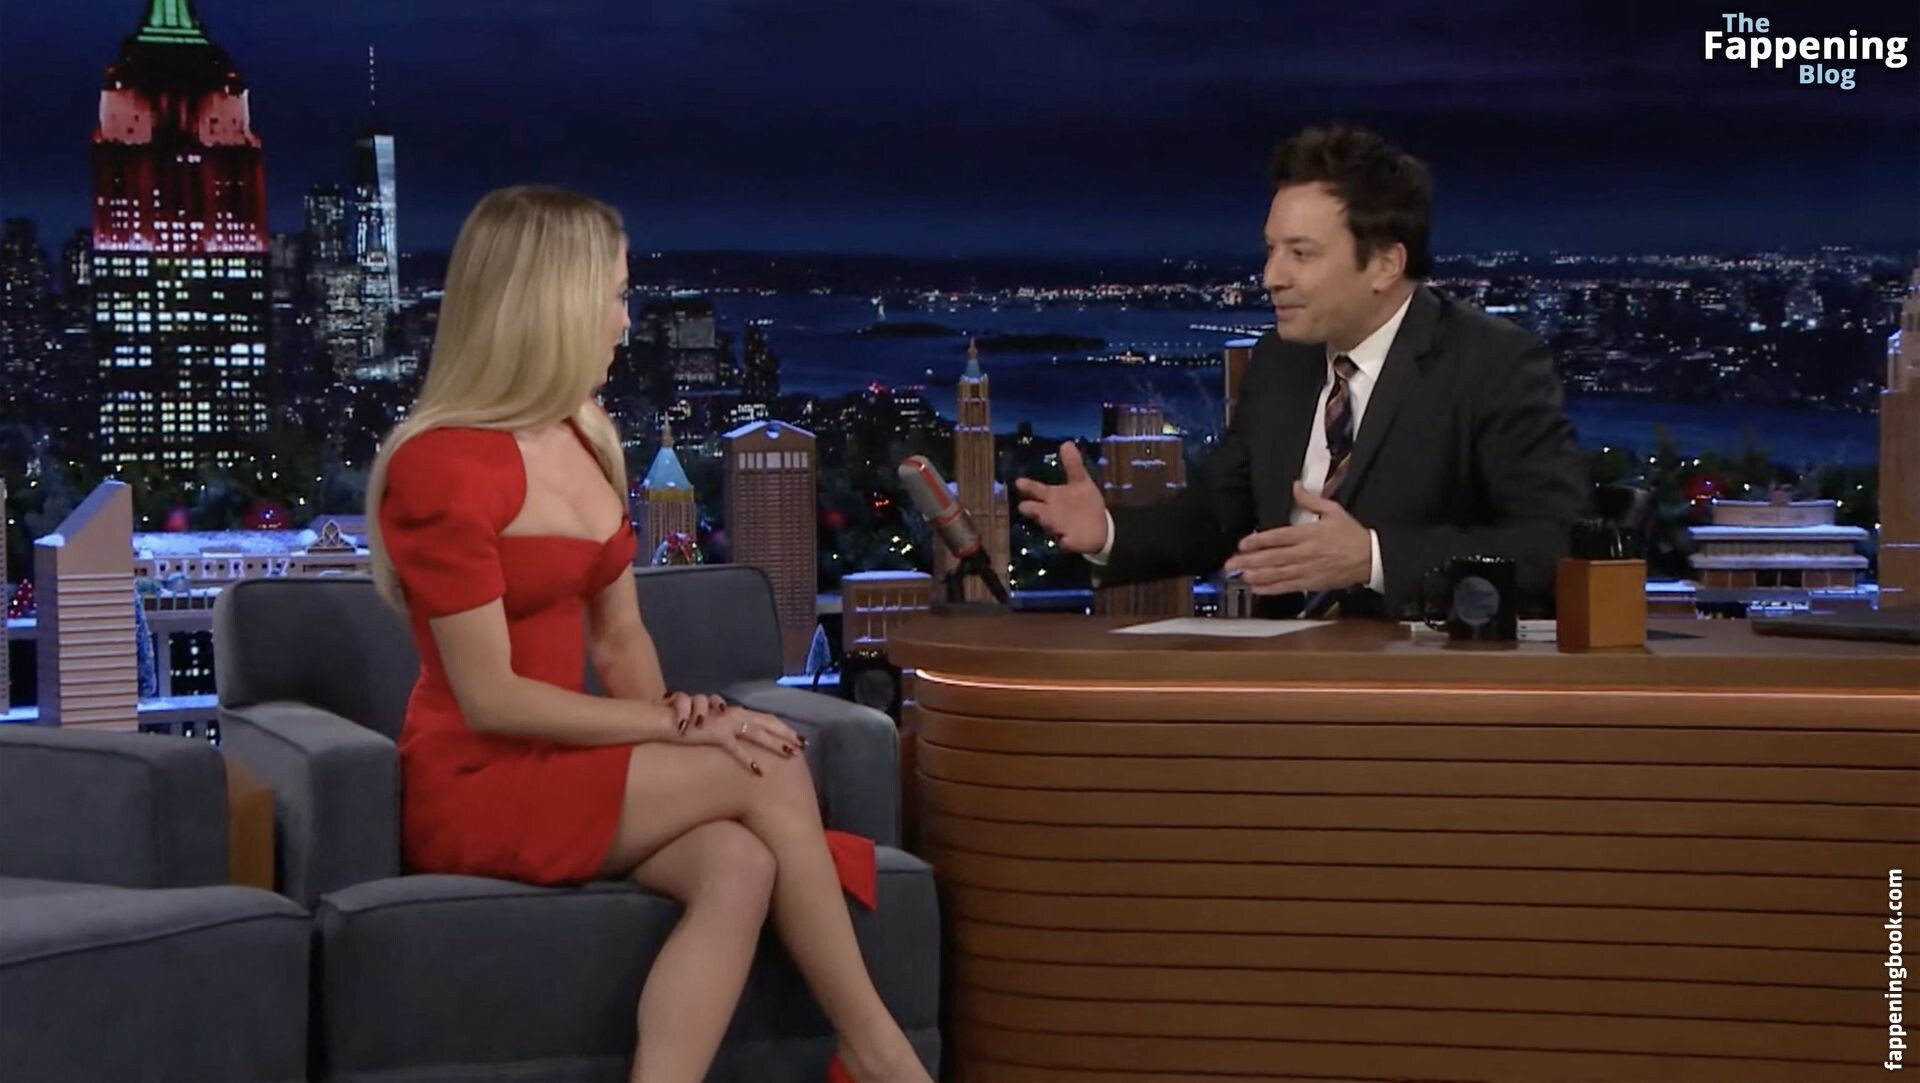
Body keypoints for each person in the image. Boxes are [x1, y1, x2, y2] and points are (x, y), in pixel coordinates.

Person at [365, 186, 929, 1083]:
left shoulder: (588, 439)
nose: (626, 322)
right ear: (552, 304)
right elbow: (491, 697)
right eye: (616, 296)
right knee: (767, 762)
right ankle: (878, 1053)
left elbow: (621, 640)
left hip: (570, 764)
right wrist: (676, 728)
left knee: (740, 862)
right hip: (476, 781)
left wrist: (678, 739)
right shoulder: (440, 464)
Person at [1016, 125, 1588, 618]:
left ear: (1385, 264)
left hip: (1426, 680)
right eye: (1271, 250)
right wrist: (1109, 533)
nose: (1272, 276)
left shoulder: (1491, 363)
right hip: (1283, 673)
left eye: (1301, 253)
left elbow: (1556, 544)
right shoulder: (1280, 361)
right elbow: (1218, 514)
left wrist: (1374, 559)